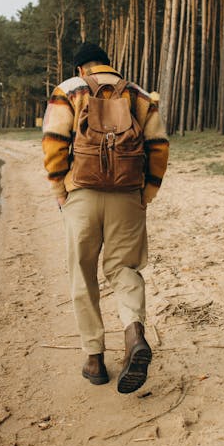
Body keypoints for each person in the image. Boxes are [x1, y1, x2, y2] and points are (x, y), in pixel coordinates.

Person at [42, 42, 169, 393]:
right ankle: (134, 333)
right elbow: (159, 146)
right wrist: (147, 192)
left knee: (83, 273)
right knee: (123, 269)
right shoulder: (139, 94)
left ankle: (94, 359)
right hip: (127, 195)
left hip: (81, 193)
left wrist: (60, 190)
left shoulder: (68, 90)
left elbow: (53, 142)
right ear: (108, 66)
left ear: (81, 68)